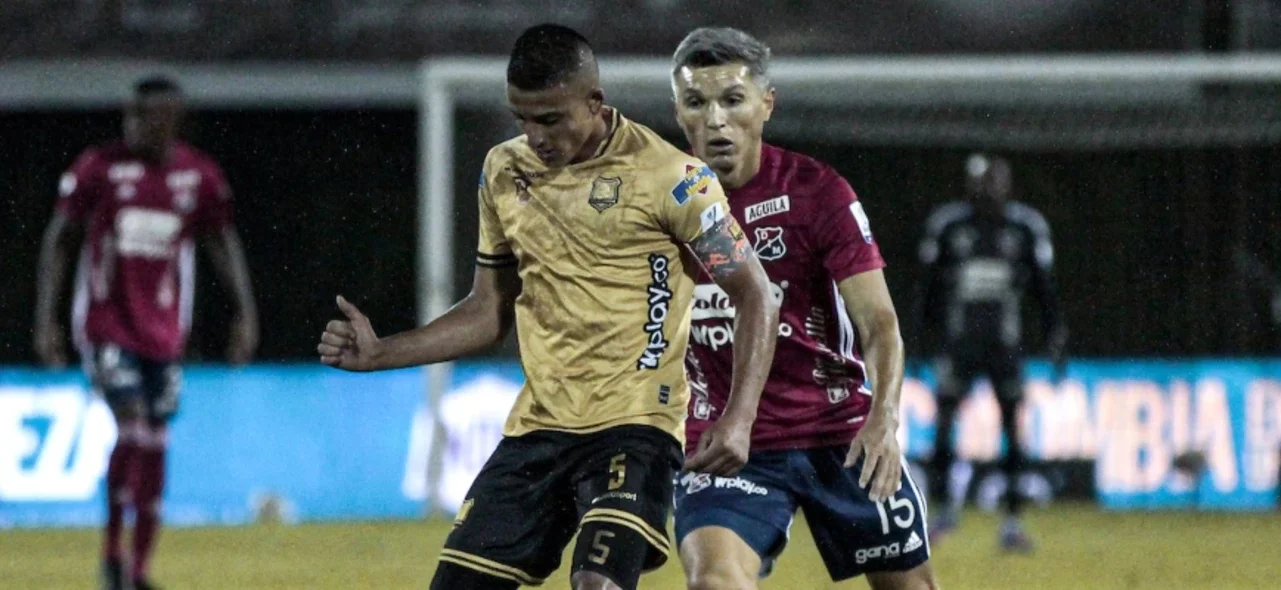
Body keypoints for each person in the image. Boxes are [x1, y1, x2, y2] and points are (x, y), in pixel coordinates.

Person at [317, 24, 779, 590]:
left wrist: (740, 418)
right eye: (522, 118)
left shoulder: (674, 180)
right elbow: (488, 312)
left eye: (551, 119)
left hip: (635, 429)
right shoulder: (504, 171)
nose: (534, 136)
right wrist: (382, 352)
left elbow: (754, 294)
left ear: (594, 102)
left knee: (596, 583)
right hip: (538, 428)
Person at [668, 28, 937, 590]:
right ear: (678, 110)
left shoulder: (817, 193)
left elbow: (879, 324)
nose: (715, 119)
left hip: (839, 435)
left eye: (732, 100)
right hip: (729, 448)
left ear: (766, 104)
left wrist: (883, 420)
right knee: (713, 583)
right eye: (697, 102)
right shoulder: (666, 203)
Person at [33, 75, 260, 590]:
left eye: (154, 117)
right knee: (132, 423)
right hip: (106, 326)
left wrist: (245, 312)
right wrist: (45, 318)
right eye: (135, 116)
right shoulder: (99, 168)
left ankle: (137, 571)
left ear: (173, 119)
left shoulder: (196, 176)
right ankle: (112, 554)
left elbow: (221, 241)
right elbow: (61, 239)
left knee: (156, 438)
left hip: (164, 334)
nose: (142, 126)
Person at [917, 153, 1067, 551]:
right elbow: (929, 290)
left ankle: (1012, 522)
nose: (988, 191)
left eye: (994, 182)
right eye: (981, 183)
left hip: (1006, 347)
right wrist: (919, 342)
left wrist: (1055, 338)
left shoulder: (1025, 227)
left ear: (1007, 185)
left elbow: (1045, 290)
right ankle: (943, 513)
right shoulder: (949, 226)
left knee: (1013, 428)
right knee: (945, 426)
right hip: (959, 344)